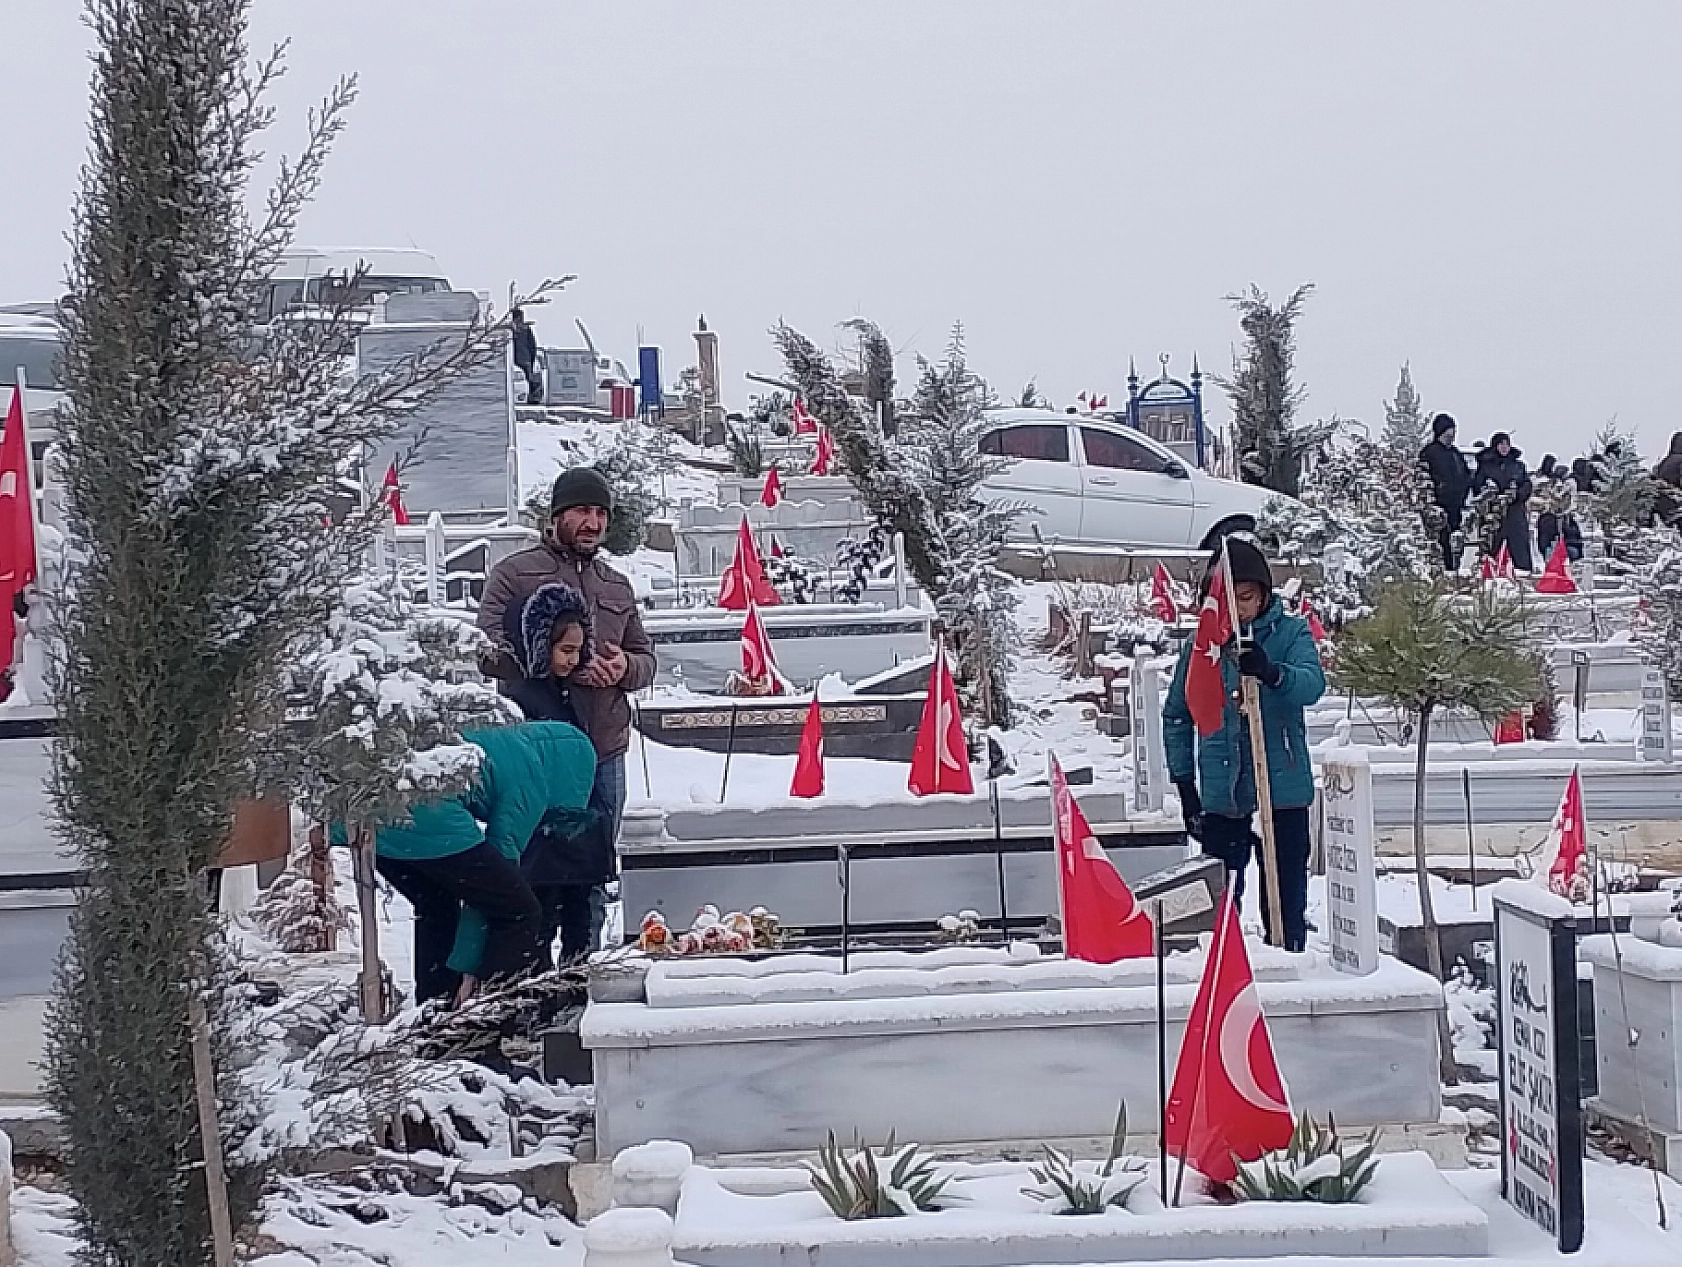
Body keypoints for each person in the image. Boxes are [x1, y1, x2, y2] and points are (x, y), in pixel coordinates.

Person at [478, 467, 658, 951]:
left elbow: (647, 660)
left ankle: (583, 970)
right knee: (532, 868)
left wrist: (623, 668)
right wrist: (555, 665)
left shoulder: (617, 586)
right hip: (536, 754)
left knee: (591, 872)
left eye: (600, 512)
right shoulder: (514, 574)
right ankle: (527, 970)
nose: (592, 522)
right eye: (581, 510)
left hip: (602, 751)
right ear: (556, 515)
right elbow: (484, 650)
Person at [1163, 538, 1326, 952]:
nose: (1239, 608)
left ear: (1265, 595)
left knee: (1285, 902)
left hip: (1281, 791)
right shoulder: (1203, 646)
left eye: (1248, 597)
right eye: (1228, 598)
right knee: (1221, 907)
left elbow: (1312, 684)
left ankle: (1288, 969)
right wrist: (1185, 785)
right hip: (1223, 794)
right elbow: (1178, 715)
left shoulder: (1290, 632)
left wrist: (1272, 673)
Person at [373, 720, 598, 1004]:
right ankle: (488, 1018)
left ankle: (436, 1009)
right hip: (427, 815)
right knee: (520, 911)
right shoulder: (533, 781)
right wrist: (470, 968)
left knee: (437, 907)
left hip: (374, 823)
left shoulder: (502, 739)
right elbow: (492, 892)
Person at [503, 582, 618, 963]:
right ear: (540, 644)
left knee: (577, 922)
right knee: (543, 925)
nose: (573, 660)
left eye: (578, 651)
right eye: (565, 650)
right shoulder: (525, 698)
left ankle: (571, 985)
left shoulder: (562, 691)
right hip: (548, 838)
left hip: (571, 840)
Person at [1418, 412, 1472, 571]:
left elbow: (1466, 476)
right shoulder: (1429, 453)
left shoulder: (1456, 454)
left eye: (1453, 433)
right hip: (1438, 508)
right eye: (1448, 433)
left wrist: (1464, 490)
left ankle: (1454, 570)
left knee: (1455, 543)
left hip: (1456, 506)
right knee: (1441, 544)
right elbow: (1422, 478)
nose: (1451, 437)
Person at [1473, 431, 1533, 571]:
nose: (1504, 447)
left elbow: (1526, 485)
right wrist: (1491, 493)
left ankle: (1523, 573)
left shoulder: (1518, 466)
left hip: (1515, 512)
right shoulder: (1486, 465)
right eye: (1501, 444)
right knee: (1492, 546)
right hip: (1493, 514)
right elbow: (1477, 486)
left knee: (1519, 547)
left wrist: (1517, 495)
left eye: (1507, 444)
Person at [511, 307, 542, 406]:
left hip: (513, 359)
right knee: (528, 379)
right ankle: (531, 399)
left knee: (519, 380)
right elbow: (532, 346)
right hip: (524, 359)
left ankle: (523, 398)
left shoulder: (509, 329)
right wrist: (531, 359)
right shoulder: (525, 329)